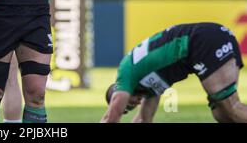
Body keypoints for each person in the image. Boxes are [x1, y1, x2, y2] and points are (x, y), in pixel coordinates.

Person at [101, 22, 247, 123]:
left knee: (231, 107)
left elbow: (111, 118)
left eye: (128, 104)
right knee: (222, 114)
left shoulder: (125, 74)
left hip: (202, 41)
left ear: (119, 93)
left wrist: (117, 109)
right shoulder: (149, 88)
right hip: (209, 38)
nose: (135, 104)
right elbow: (143, 120)